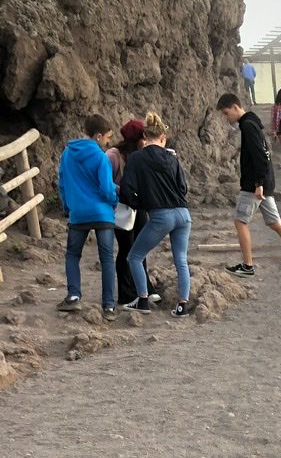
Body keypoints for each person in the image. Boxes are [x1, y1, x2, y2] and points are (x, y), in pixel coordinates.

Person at [215, 92, 281, 278]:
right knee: (275, 223)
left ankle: (247, 266)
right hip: (265, 182)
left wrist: (258, 183)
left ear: (235, 107)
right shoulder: (252, 122)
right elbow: (264, 154)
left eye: (226, 113)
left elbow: (260, 155)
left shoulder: (248, 125)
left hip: (254, 184)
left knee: (240, 221)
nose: (226, 118)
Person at [118, 111, 192, 317]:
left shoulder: (136, 158)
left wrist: (141, 203)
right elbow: (183, 187)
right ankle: (182, 306)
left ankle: (142, 300)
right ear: (163, 138)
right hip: (183, 214)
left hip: (161, 215)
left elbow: (126, 190)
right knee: (181, 259)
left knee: (134, 256)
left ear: (144, 137)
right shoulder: (172, 158)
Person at [56, 113, 119, 318]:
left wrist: (68, 207)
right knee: (107, 259)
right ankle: (109, 307)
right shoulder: (101, 157)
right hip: (102, 213)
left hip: (78, 213)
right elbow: (107, 188)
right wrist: (113, 202)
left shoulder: (67, 154)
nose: (108, 142)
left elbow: (62, 183)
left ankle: (74, 296)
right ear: (98, 136)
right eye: (108, 137)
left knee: (73, 255)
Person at [106, 118, 161, 308]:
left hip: (139, 206)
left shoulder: (141, 154)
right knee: (126, 248)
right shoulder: (113, 156)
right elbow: (105, 182)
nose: (146, 141)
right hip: (121, 207)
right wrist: (123, 191)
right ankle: (126, 293)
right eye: (143, 137)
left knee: (140, 248)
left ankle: (144, 288)